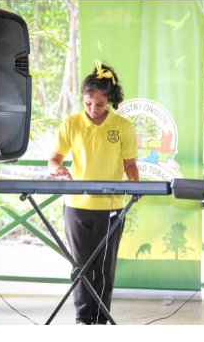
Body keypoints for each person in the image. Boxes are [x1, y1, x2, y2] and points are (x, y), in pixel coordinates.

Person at [49, 63, 139, 325]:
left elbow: (130, 165)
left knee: (104, 271)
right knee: (80, 268)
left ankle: (101, 321)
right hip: (76, 206)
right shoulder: (71, 124)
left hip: (110, 208)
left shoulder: (123, 126)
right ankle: (82, 320)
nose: (93, 109)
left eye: (99, 105)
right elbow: (53, 159)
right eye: (88, 103)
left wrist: (135, 185)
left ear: (109, 100)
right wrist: (58, 170)